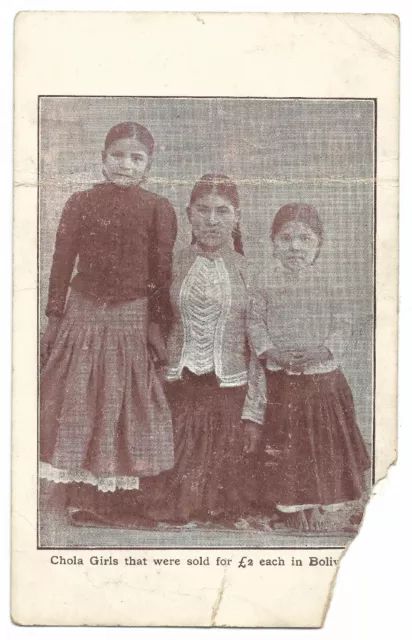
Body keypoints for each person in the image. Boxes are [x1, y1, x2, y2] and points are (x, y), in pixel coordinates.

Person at [40, 121, 177, 524]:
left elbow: (161, 273)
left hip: (131, 315)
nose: (126, 164)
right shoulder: (79, 203)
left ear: (148, 166)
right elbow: (62, 263)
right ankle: (79, 495)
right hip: (83, 312)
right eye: (117, 155)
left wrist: (156, 327)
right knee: (80, 397)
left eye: (136, 158)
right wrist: (54, 317)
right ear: (102, 159)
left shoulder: (158, 208)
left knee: (123, 399)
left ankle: (117, 498)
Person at [136, 174, 263, 526]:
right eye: (203, 210)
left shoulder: (249, 271)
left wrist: (254, 410)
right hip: (178, 386)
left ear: (236, 217)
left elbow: (256, 347)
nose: (211, 220)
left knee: (231, 491)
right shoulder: (171, 264)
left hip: (230, 391)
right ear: (189, 214)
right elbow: (154, 322)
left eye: (222, 212)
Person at [244, 203, 370, 532]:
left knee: (322, 447)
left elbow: (343, 323)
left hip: (322, 380)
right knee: (289, 448)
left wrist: (323, 351)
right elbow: (255, 323)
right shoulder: (263, 282)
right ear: (273, 242)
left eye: (304, 239)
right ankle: (291, 508)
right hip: (283, 380)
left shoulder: (330, 282)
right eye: (285, 238)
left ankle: (320, 506)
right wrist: (273, 352)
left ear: (318, 244)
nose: (295, 247)